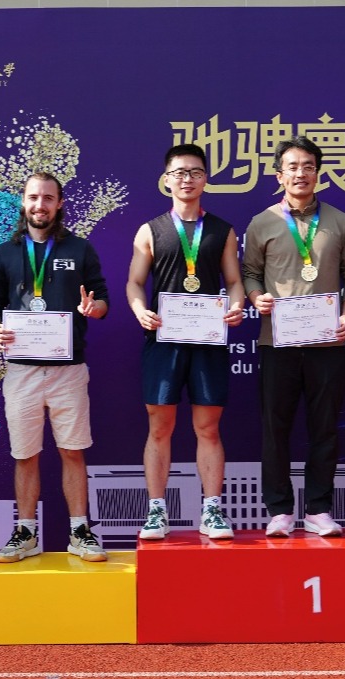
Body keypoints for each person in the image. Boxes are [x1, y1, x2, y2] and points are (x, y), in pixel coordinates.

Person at [0, 172, 110, 562]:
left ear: (59, 204)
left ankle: (79, 531)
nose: (40, 205)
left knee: (72, 451)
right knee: (25, 455)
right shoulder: (5, 252)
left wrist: (92, 308)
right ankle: (25, 532)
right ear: (24, 202)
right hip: (21, 370)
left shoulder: (80, 248)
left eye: (48, 198)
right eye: (34, 198)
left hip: (68, 370)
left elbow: (103, 301)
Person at [126, 143, 245, 541]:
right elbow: (134, 282)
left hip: (208, 340)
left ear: (205, 178)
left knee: (207, 428)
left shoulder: (223, 230)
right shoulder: (150, 230)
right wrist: (139, 309)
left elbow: (234, 282)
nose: (187, 179)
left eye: (195, 172)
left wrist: (237, 305)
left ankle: (211, 509)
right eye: (179, 172)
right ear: (166, 180)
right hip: (164, 340)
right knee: (159, 427)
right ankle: (156, 510)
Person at [242, 136, 345, 538]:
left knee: (324, 428)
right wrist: (256, 297)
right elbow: (250, 273)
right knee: (275, 429)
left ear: (318, 173)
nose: (300, 173)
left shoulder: (339, 221)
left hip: (327, 343)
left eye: (308, 166)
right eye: (292, 167)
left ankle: (318, 509)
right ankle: (279, 510)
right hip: (278, 343)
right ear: (279, 175)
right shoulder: (262, 222)